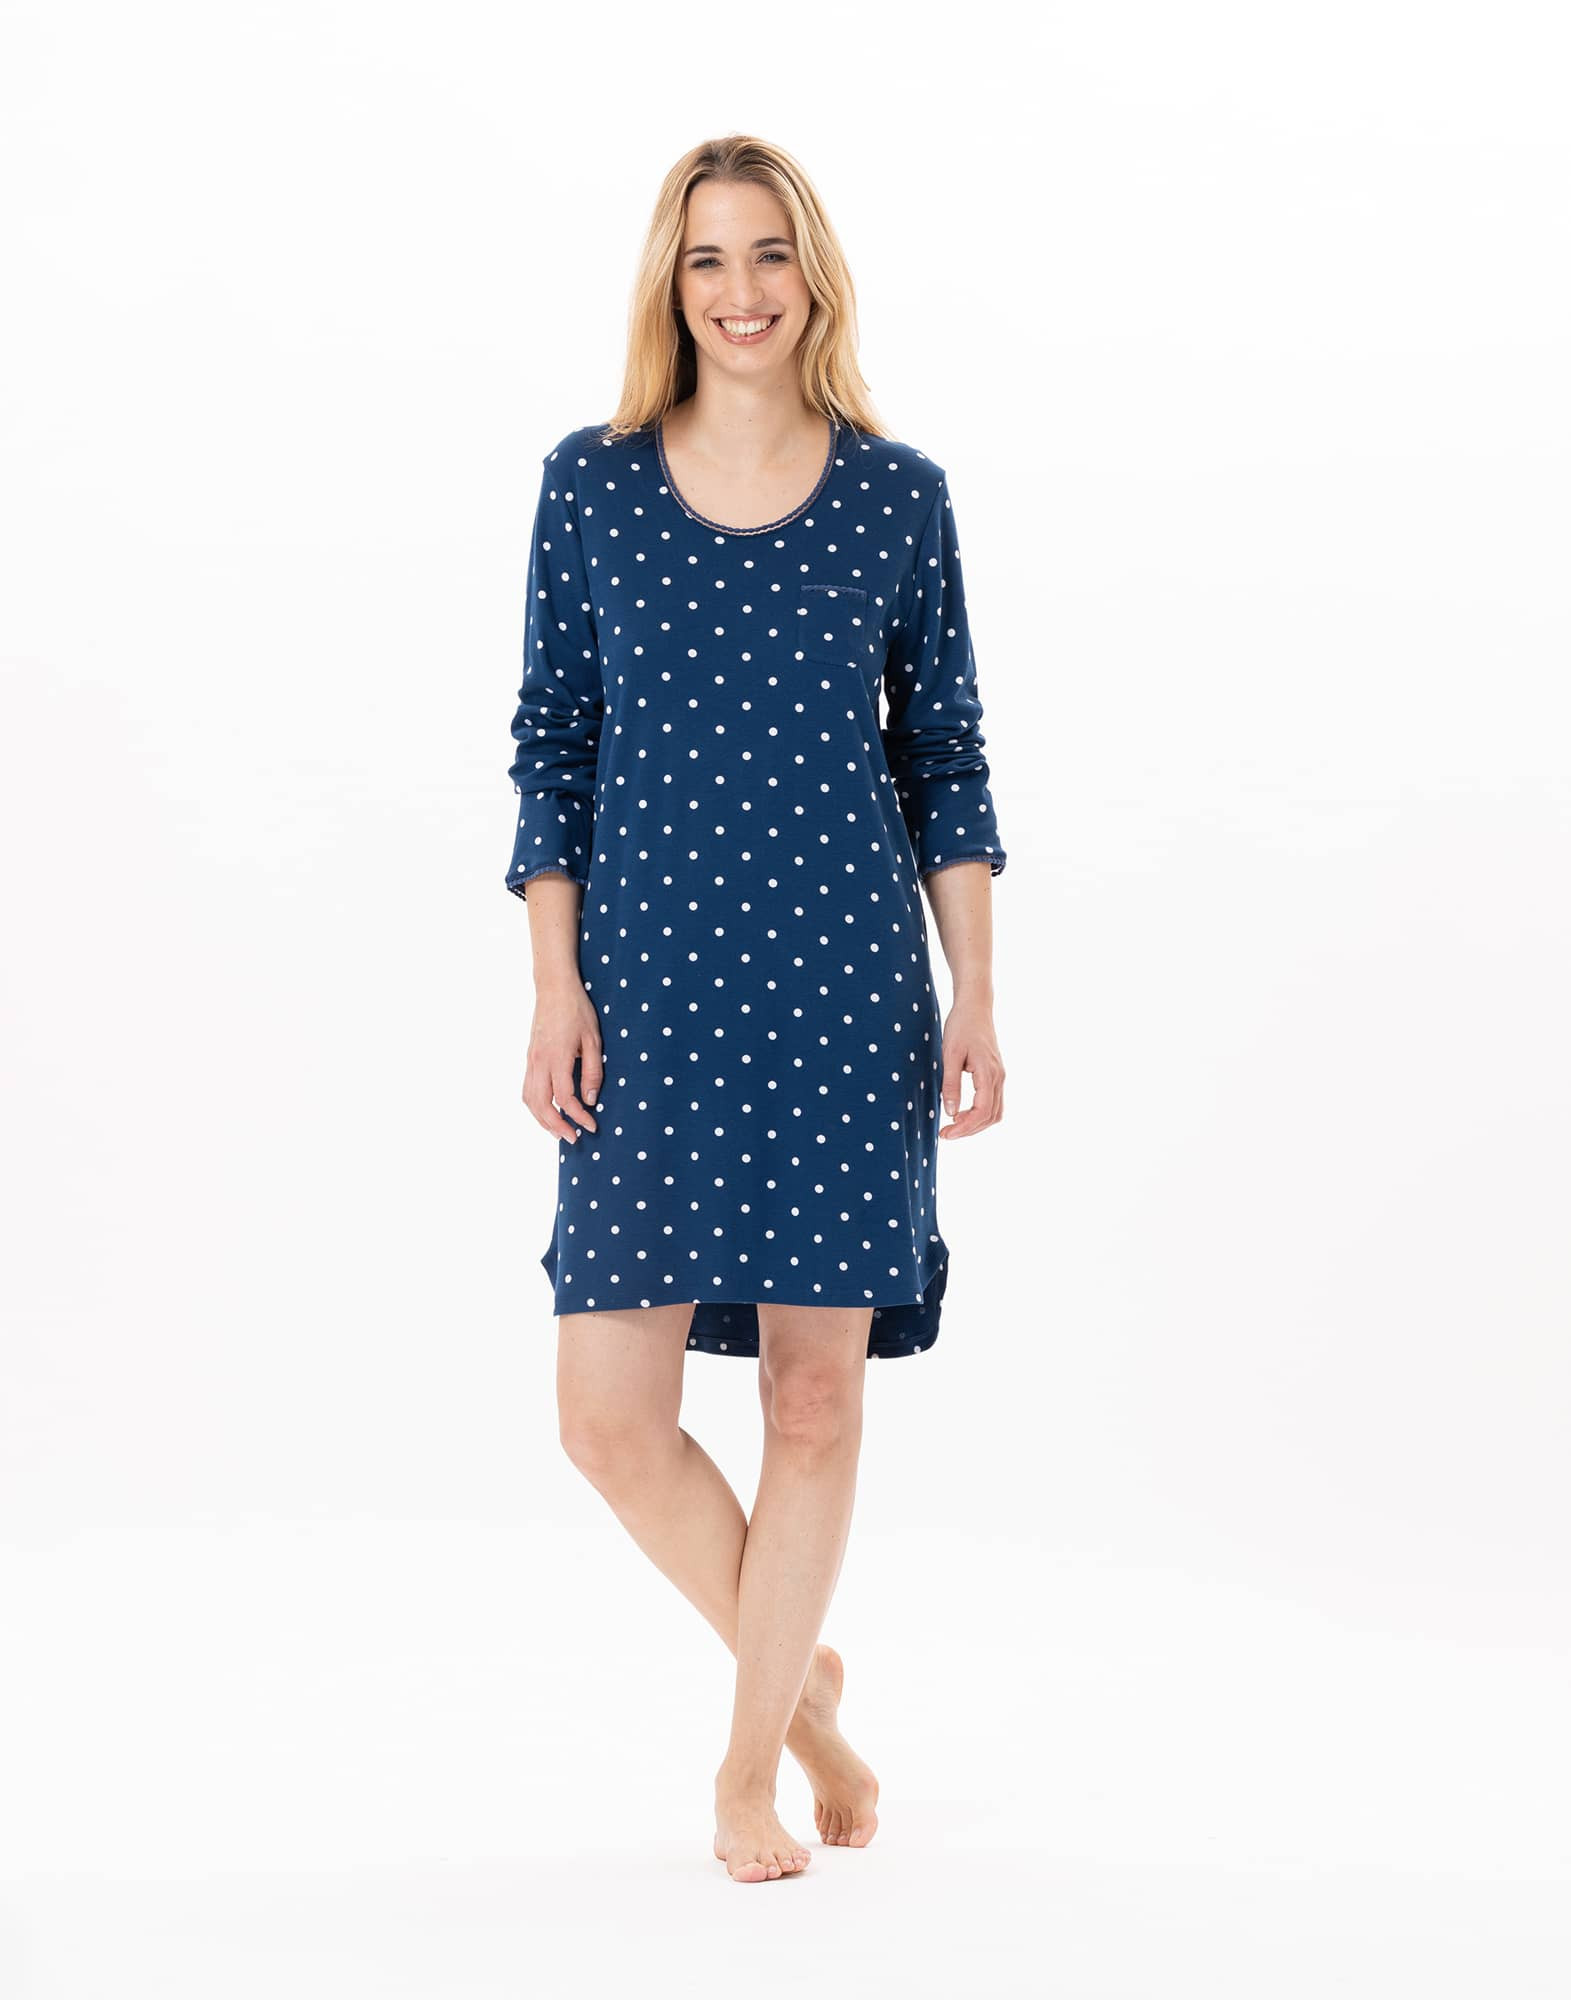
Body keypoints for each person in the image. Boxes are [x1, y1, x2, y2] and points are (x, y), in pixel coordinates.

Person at [504, 134, 1008, 1883]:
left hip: (842, 993)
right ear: (672, 282)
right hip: (645, 1001)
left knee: (812, 1401)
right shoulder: (590, 483)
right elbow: (553, 753)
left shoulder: (897, 497)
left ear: (815, 277)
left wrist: (976, 991)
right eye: (709, 257)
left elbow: (944, 761)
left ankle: (743, 1778)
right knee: (605, 1417)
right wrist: (553, 984)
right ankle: (806, 1699)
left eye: (771, 253)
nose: (741, 290)